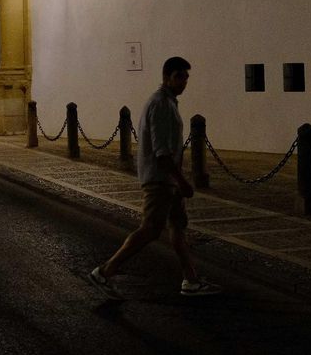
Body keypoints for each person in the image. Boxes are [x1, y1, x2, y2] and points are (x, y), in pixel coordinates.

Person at [87, 56, 221, 298]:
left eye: (186, 77)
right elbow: (161, 151)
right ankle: (105, 270)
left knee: (178, 227)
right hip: (160, 180)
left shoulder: (168, 102)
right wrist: (181, 180)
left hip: (169, 180)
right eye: (179, 76)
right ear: (167, 77)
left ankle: (190, 280)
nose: (184, 82)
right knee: (149, 230)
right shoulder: (160, 104)